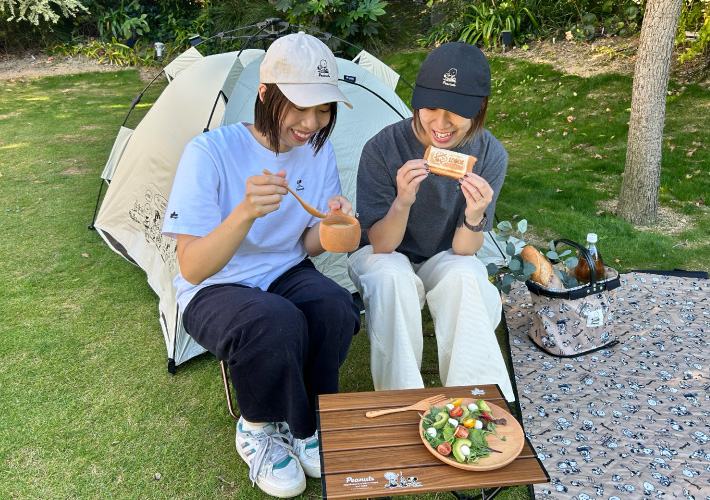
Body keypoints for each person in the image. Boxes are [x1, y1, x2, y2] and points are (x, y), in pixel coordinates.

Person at [162, 32, 361, 499]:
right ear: (265, 94)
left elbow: (307, 245)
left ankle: (306, 420)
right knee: (274, 320)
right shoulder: (209, 152)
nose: (312, 123)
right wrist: (244, 213)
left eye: (323, 109)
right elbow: (192, 268)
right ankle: (257, 427)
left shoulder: (318, 151)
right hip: (215, 286)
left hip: (285, 271)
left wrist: (332, 225)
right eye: (301, 107)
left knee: (336, 306)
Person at [347, 41, 514, 402]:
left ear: (479, 107)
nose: (441, 123)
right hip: (382, 252)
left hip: (444, 254)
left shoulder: (490, 154)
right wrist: (403, 201)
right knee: (392, 277)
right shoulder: (382, 148)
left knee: (467, 276)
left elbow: (464, 251)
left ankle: (475, 404)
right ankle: (403, 402)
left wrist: (474, 215)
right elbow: (380, 245)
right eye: (431, 107)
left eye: (455, 111)